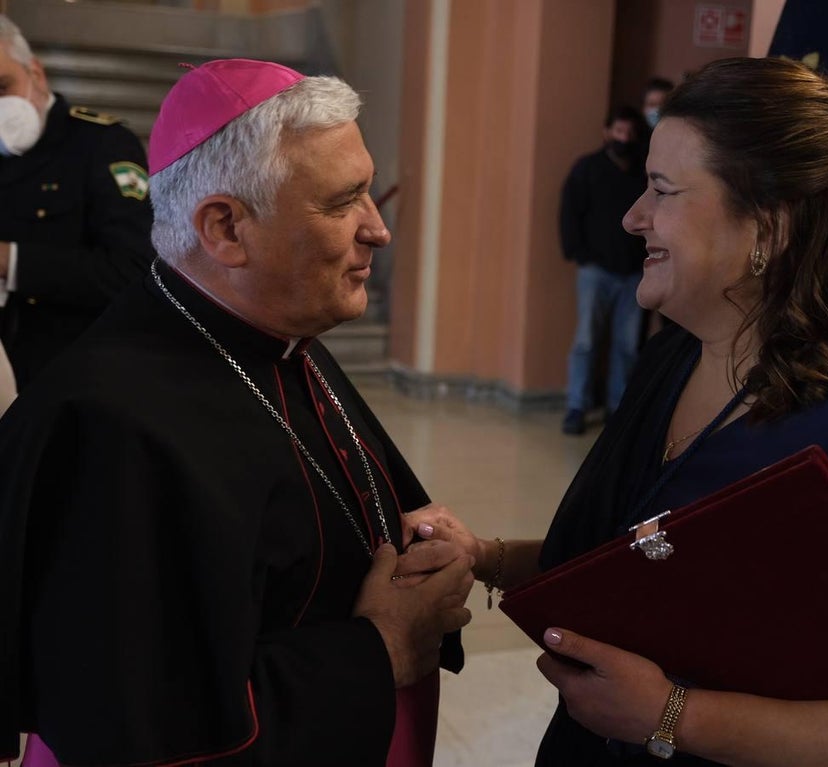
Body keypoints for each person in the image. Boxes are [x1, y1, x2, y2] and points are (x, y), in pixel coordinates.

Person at [409, 57, 828, 766]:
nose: (632, 216)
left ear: (766, 227)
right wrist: (484, 557)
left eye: (663, 190)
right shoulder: (677, 354)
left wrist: (669, 714)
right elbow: (627, 560)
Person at [0, 58, 474, 766]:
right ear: (224, 227)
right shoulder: (111, 428)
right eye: (343, 201)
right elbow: (140, 726)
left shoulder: (278, 337)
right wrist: (379, 648)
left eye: (369, 192)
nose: (377, 229)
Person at [0, 15, 155, 388]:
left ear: (35, 72)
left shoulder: (101, 144)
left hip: (72, 374)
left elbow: (133, 271)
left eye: (2, 87)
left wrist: (9, 260)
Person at [559, 104, 648, 435]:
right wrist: (578, 254)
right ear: (607, 131)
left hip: (633, 273)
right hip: (595, 270)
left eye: (629, 133)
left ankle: (617, 408)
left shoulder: (642, 172)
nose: (623, 138)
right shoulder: (587, 169)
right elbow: (569, 213)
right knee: (585, 341)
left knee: (626, 345)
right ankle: (577, 406)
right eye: (618, 131)